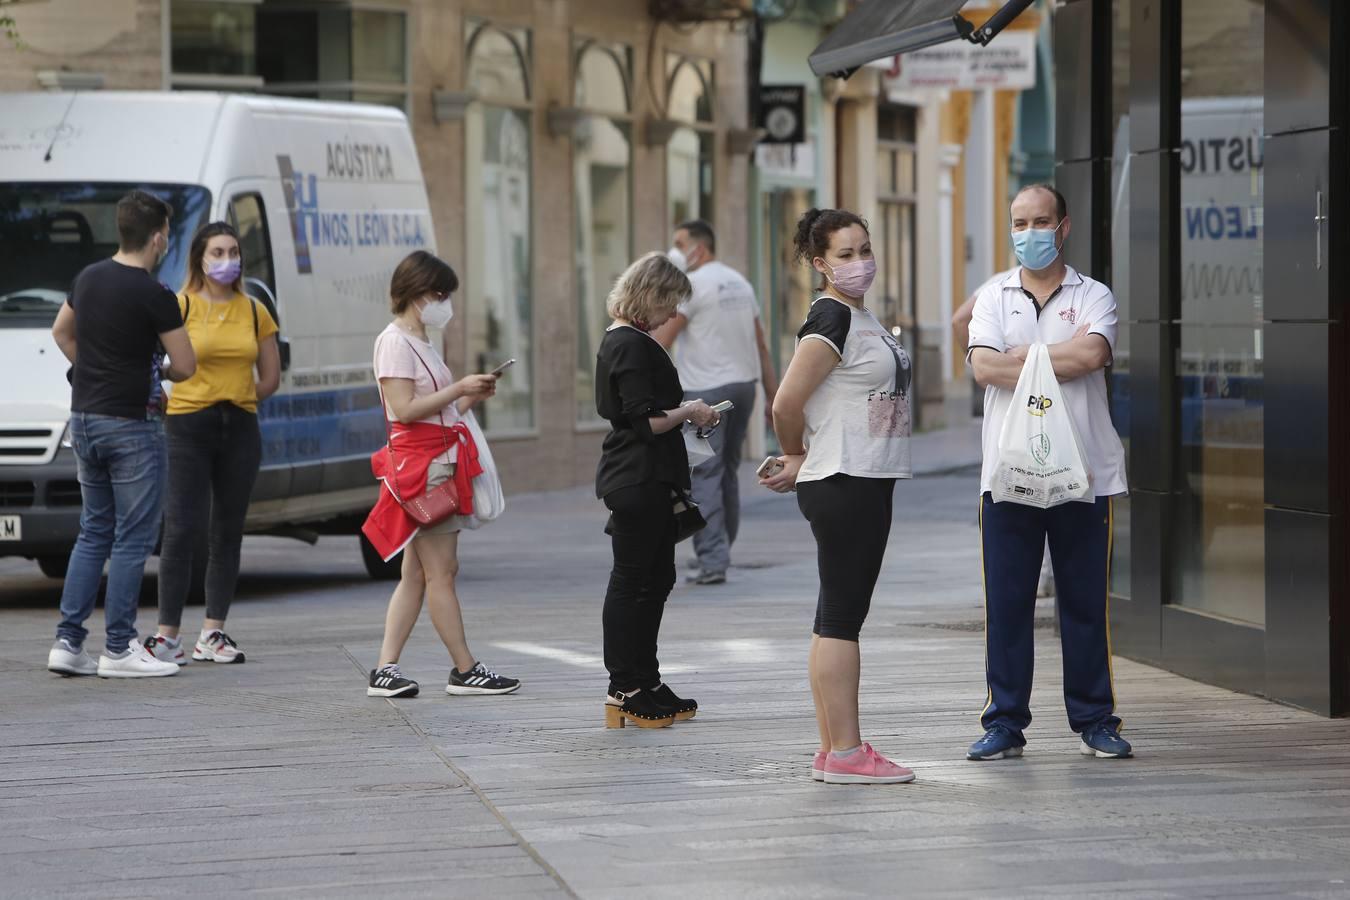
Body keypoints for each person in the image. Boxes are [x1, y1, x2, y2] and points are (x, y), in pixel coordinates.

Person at [966, 183, 1130, 761]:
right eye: (1019, 222)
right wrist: (1048, 358)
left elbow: (1091, 356)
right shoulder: (993, 296)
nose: (1028, 233)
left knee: (1084, 604)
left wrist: (1023, 359)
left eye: (1040, 221)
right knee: (1007, 604)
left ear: (1063, 227)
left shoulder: (1094, 295)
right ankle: (1004, 722)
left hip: (1084, 476)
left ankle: (1095, 720)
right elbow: (983, 367)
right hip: (1008, 477)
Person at [760, 208, 916, 785]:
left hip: (863, 477)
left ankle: (832, 750)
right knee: (843, 619)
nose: (860, 263)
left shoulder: (858, 315)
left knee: (833, 617)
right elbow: (784, 403)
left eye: (864, 250)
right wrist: (796, 455)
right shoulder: (831, 315)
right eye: (846, 255)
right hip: (845, 478)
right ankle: (849, 753)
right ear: (821, 264)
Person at [46, 189, 197, 679]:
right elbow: (187, 365)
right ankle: (119, 647)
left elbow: (61, 332)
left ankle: (68, 643)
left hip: (85, 416)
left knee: (94, 531)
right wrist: (160, 374)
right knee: (133, 537)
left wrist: (94, 370)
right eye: (168, 236)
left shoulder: (88, 278)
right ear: (157, 238)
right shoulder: (156, 295)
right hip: (133, 423)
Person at [361, 250, 520, 699]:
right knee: (442, 571)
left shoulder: (420, 341)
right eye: (439, 293)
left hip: (436, 462)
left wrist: (470, 394)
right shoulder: (395, 342)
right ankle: (465, 669)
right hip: (424, 469)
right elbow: (404, 409)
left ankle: (385, 669)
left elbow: (439, 412)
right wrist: (459, 387)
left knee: (417, 573)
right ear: (417, 293)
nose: (445, 302)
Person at [141, 222, 281, 666]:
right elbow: (151, 364)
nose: (227, 260)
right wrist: (178, 400)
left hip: (239, 425)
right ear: (200, 259)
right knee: (181, 528)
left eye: (233, 251)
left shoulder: (255, 310)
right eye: (217, 252)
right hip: (186, 425)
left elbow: (271, 377)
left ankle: (213, 633)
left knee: (227, 530)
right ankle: (167, 636)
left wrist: (235, 398)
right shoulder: (179, 306)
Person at [595, 251, 718, 728]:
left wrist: (691, 414)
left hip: (649, 476)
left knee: (656, 580)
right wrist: (689, 411)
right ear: (653, 296)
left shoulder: (632, 341)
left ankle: (645, 678)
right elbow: (645, 420)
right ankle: (624, 686)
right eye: (671, 304)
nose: (674, 316)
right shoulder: (629, 344)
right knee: (633, 582)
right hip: (637, 476)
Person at [652, 220, 778, 586]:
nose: (674, 250)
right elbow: (762, 344)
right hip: (742, 388)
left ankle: (712, 560)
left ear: (698, 249)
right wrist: (773, 395)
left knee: (704, 473)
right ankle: (720, 548)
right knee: (726, 473)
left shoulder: (691, 286)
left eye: (678, 243)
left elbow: (660, 339)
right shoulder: (740, 282)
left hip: (706, 392)